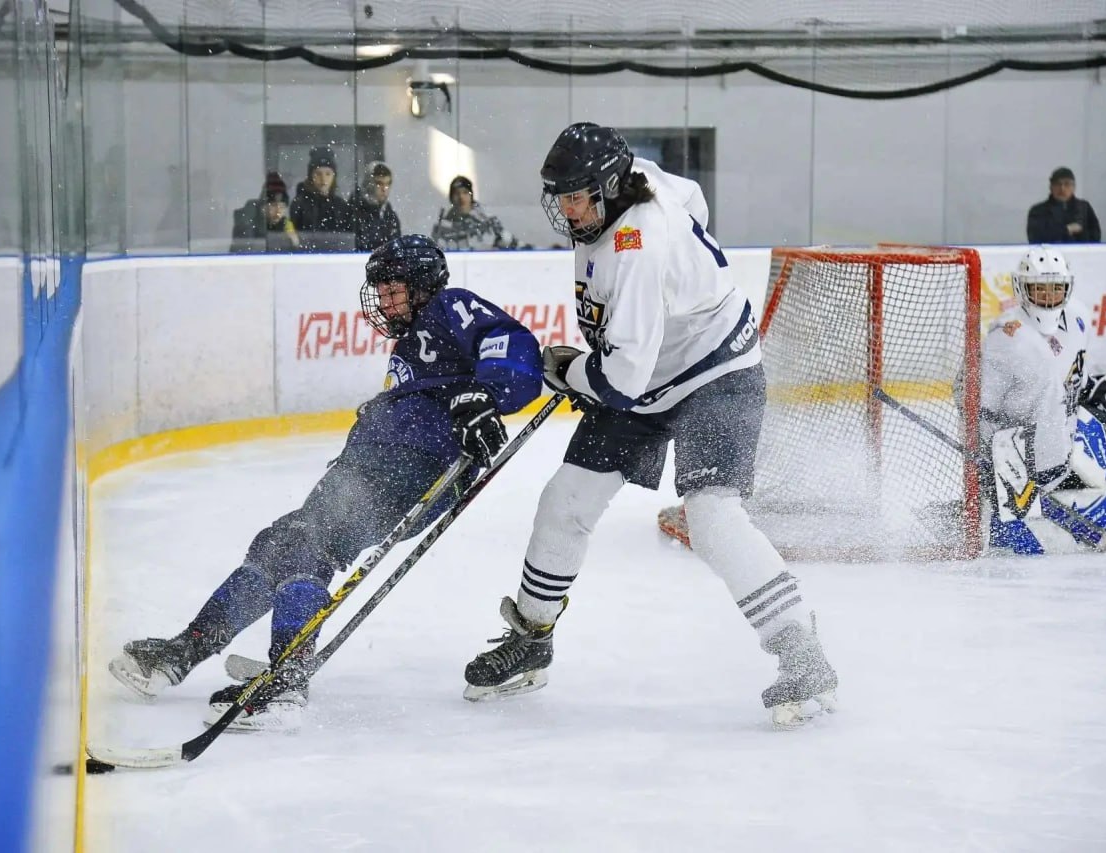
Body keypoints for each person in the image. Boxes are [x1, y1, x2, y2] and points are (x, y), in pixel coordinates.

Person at [460, 123, 838, 730]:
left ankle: (801, 652)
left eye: (577, 197)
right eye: (561, 196)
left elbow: (620, 380)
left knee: (713, 516)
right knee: (565, 501)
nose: (567, 210)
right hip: (647, 371)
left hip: (716, 373)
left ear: (610, 188)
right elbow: (692, 197)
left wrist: (567, 370)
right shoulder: (643, 180)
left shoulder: (634, 248)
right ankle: (532, 639)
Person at [108, 235, 544, 731]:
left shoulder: (449, 306)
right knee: (281, 543)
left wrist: (485, 395)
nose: (385, 302)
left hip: (417, 467)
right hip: (370, 464)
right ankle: (185, 651)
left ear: (424, 285)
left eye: (394, 290)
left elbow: (511, 342)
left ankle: (285, 680)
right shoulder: (411, 342)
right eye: (381, 292)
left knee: (307, 544)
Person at [980, 246, 1106, 554]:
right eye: (1039, 288)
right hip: (1018, 451)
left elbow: (1074, 375)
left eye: (1056, 288)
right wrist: (988, 460)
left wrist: (1097, 391)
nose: (1049, 296)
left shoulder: (1078, 317)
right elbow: (982, 406)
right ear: (1022, 288)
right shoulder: (1006, 337)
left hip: (1060, 440)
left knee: (1100, 465)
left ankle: (1082, 488)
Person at [289, 146, 355, 252]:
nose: (323, 179)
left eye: (328, 174)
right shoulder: (299, 204)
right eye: (318, 174)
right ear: (311, 176)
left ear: (334, 176)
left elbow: (347, 238)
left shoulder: (341, 205)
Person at [431, 175, 522, 250]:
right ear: (451, 198)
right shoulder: (443, 226)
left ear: (471, 195)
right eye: (456, 193)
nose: (461, 197)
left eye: (465, 192)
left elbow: (510, 242)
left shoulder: (487, 220)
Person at [229, 171, 301, 253]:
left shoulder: (286, 225)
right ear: (263, 207)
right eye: (273, 205)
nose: (278, 212)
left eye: (282, 207)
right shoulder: (248, 224)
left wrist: (293, 242)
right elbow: (245, 251)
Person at [1026, 167, 1101, 244]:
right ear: (1051, 187)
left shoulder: (1084, 208)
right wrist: (1067, 229)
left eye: (1067, 184)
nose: (1062, 188)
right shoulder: (1038, 210)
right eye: (1058, 184)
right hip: (1050, 252)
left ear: (1074, 187)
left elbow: (1095, 237)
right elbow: (1034, 237)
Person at [349, 161, 402, 251]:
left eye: (388, 184)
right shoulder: (354, 211)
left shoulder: (390, 215)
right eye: (379, 184)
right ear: (369, 184)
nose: (384, 189)